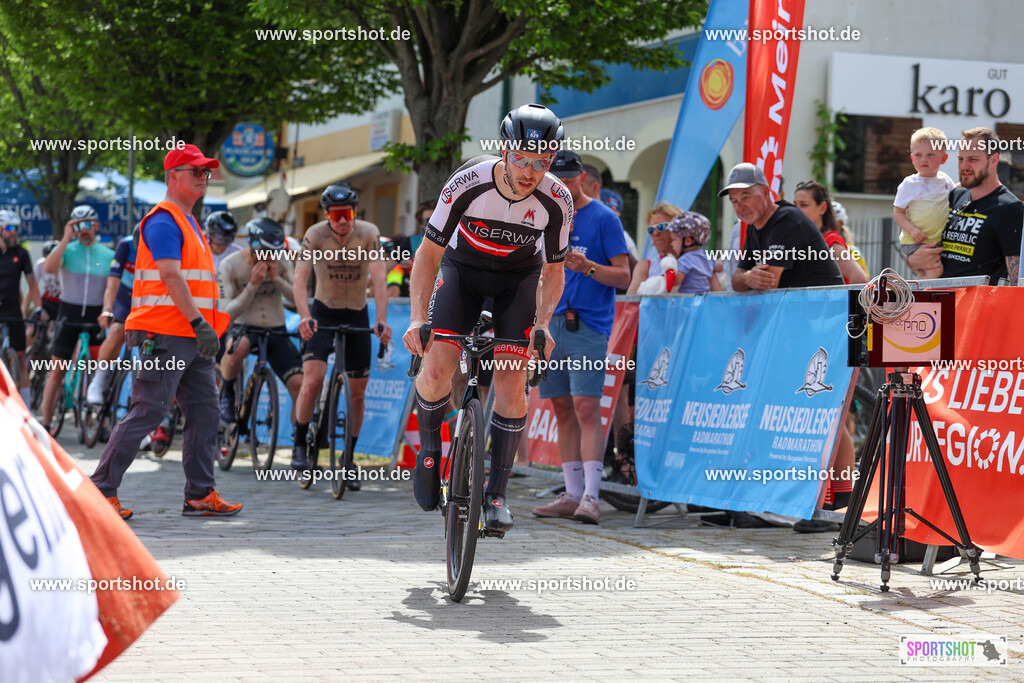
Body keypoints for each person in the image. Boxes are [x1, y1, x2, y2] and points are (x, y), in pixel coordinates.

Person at [403, 103, 571, 532]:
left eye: (543, 162)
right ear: (503, 150)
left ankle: (496, 492)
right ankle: (428, 452)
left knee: (512, 376)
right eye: (521, 159)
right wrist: (417, 317)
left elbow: (553, 271)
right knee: (438, 365)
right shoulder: (468, 182)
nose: (531, 171)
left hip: (519, 279)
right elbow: (428, 254)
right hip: (463, 272)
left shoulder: (557, 200)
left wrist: (543, 324)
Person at [89, 143, 239, 520]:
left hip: (189, 337)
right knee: (148, 411)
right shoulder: (163, 220)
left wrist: (201, 328)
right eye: (195, 171)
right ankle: (99, 492)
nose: (204, 178)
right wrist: (199, 323)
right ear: (173, 177)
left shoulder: (188, 221)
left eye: (206, 172)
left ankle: (200, 494)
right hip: (169, 333)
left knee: (205, 413)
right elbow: (171, 276)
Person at [528, 150, 629, 525]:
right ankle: (570, 493)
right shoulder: (542, 212)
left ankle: (591, 496)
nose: (564, 188)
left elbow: (623, 276)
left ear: (583, 178)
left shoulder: (604, 218)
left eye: (570, 181)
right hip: (549, 323)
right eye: (557, 181)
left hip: (587, 326)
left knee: (587, 408)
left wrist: (586, 267)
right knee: (561, 409)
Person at [291, 182, 392, 488]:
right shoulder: (315, 235)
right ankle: (299, 443)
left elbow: (379, 279)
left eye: (347, 214)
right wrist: (305, 316)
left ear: (355, 212)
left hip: (357, 311)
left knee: (358, 394)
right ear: (326, 215)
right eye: (336, 216)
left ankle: (347, 458)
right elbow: (300, 279)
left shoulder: (368, 233)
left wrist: (382, 320)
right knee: (311, 382)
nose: (343, 221)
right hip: (324, 311)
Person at [908, 127, 1022, 285]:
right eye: (961, 159)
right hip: (936, 303)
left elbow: (1018, 279)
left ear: (994, 160)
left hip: (977, 306)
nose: (964, 166)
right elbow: (921, 250)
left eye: (973, 159)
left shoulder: (1010, 208)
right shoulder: (954, 196)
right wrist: (912, 259)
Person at [218, 217, 303, 425]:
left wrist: (277, 280)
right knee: (235, 349)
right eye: (265, 252)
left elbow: (298, 299)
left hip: (276, 330)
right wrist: (252, 285)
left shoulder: (281, 262)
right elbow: (226, 312)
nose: (269, 258)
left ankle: (299, 444)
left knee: (300, 385)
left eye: (274, 252)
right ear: (252, 244)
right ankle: (227, 392)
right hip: (244, 328)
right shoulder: (230, 265)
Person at [40, 205, 113, 431]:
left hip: (96, 317)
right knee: (56, 372)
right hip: (68, 315)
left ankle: (103, 422)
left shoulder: (107, 254)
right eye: (79, 226)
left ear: (96, 226)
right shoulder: (68, 250)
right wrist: (65, 238)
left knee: (103, 369)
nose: (84, 231)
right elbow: (49, 269)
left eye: (88, 225)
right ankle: (46, 422)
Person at [727, 163, 843, 291]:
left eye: (745, 197)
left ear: (765, 193)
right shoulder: (753, 226)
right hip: (801, 307)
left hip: (823, 308)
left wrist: (746, 278)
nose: (740, 207)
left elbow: (769, 283)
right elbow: (736, 282)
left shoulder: (787, 220)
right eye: (734, 201)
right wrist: (747, 277)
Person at [893, 127, 955, 280]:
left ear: (944, 159)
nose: (924, 160)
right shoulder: (909, 183)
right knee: (935, 270)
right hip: (914, 241)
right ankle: (914, 298)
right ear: (912, 158)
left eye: (931, 155)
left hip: (934, 240)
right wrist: (912, 230)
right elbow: (898, 212)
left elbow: (956, 194)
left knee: (924, 273)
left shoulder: (945, 180)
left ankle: (912, 296)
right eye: (918, 155)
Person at [0, 209, 41, 405]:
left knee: (21, 357)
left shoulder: (21, 253)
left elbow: (32, 283)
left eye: (16, 228)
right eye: (9, 228)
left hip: (12, 310)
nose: (14, 232)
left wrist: (39, 308)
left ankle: (26, 407)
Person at [628, 211, 723, 294]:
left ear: (688, 240)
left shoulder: (684, 260)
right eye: (651, 229)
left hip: (687, 308)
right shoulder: (705, 257)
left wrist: (664, 277)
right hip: (702, 307)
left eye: (662, 227)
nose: (655, 233)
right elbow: (718, 293)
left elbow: (674, 281)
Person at [792, 181, 867, 285]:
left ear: (822, 208)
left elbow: (860, 279)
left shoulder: (831, 241)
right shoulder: (798, 239)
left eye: (804, 205)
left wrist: (838, 299)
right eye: (795, 204)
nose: (796, 210)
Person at [387, 201, 433, 298]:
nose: (432, 224)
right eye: (427, 221)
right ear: (421, 225)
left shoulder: (456, 242)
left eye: (436, 219)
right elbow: (386, 268)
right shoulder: (411, 242)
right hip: (419, 297)